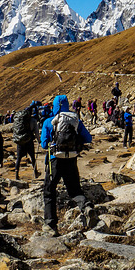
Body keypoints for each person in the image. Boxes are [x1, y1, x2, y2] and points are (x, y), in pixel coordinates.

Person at [40, 95, 92, 236]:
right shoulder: (75, 120)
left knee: (49, 191)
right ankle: (86, 207)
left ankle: (50, 224)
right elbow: (89, 138)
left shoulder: (49, 121)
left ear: (55, 106)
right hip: (71, 160)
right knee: (74, 189)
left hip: (54, 160)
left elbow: (44, 144)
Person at [12, 106, 40, 180]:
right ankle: (35, 172)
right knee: (33, 157)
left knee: (18, 158)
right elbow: (36, 132)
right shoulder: (33, 120)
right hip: (29, 140)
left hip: (20, 141)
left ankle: (16, 174)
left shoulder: (19, 120)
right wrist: (39, 140)